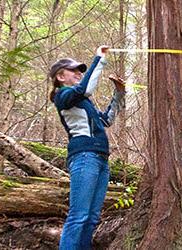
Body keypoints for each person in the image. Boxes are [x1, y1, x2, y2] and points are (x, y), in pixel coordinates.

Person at [49, 46, 125, 250]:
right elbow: (86, 88)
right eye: (74, 71)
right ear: (60, 77)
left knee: (91, 218)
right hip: (84, 157)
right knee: (78, 216)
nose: (79, 74)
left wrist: (119, 94)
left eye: (80, 71)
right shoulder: (63, 96)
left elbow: (106, 120)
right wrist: (99, 58)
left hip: (100, 159)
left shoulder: (82, 102)